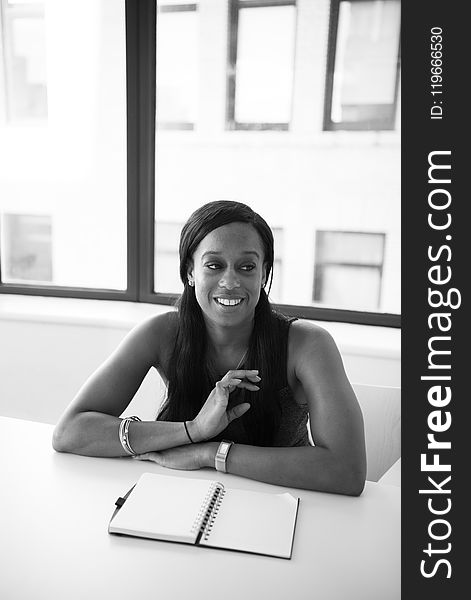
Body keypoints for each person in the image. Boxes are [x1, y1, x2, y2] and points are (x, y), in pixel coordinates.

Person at [53, 201, 366, 495]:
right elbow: (70, 432)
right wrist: (193, 430)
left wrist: (209, 453)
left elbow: (347, 471)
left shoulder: (308, 344)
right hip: (183, 496)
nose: (230, 281)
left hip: (286, 508)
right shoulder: (162, 333)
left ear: (265, 273)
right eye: (214, 265)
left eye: (246, 267)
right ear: (190, 271)